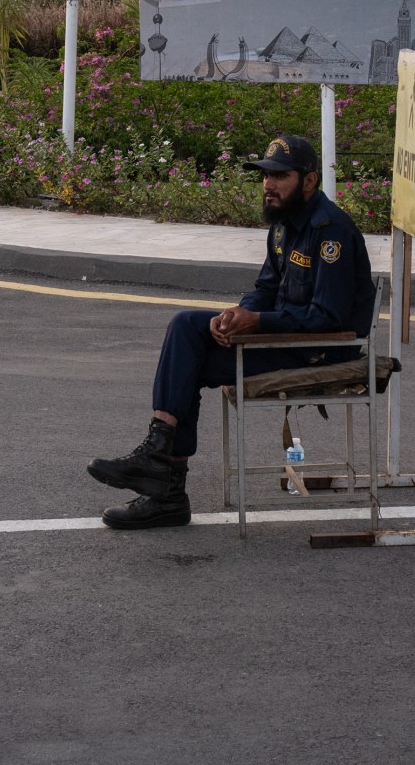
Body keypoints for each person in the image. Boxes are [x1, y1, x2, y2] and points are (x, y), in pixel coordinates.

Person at [86, 133, 375, 529]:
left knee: (188, 360)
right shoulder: (283, 224)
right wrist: (237, 314)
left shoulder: (331, 231)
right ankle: (160, 465)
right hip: (285, 339)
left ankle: (165, 487)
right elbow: (266, 288)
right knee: (187, 328)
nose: (269, 184)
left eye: (280, 176)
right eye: (265, 175)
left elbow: (328, 318)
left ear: (309, 181)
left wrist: (258, 322)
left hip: (318, 350)